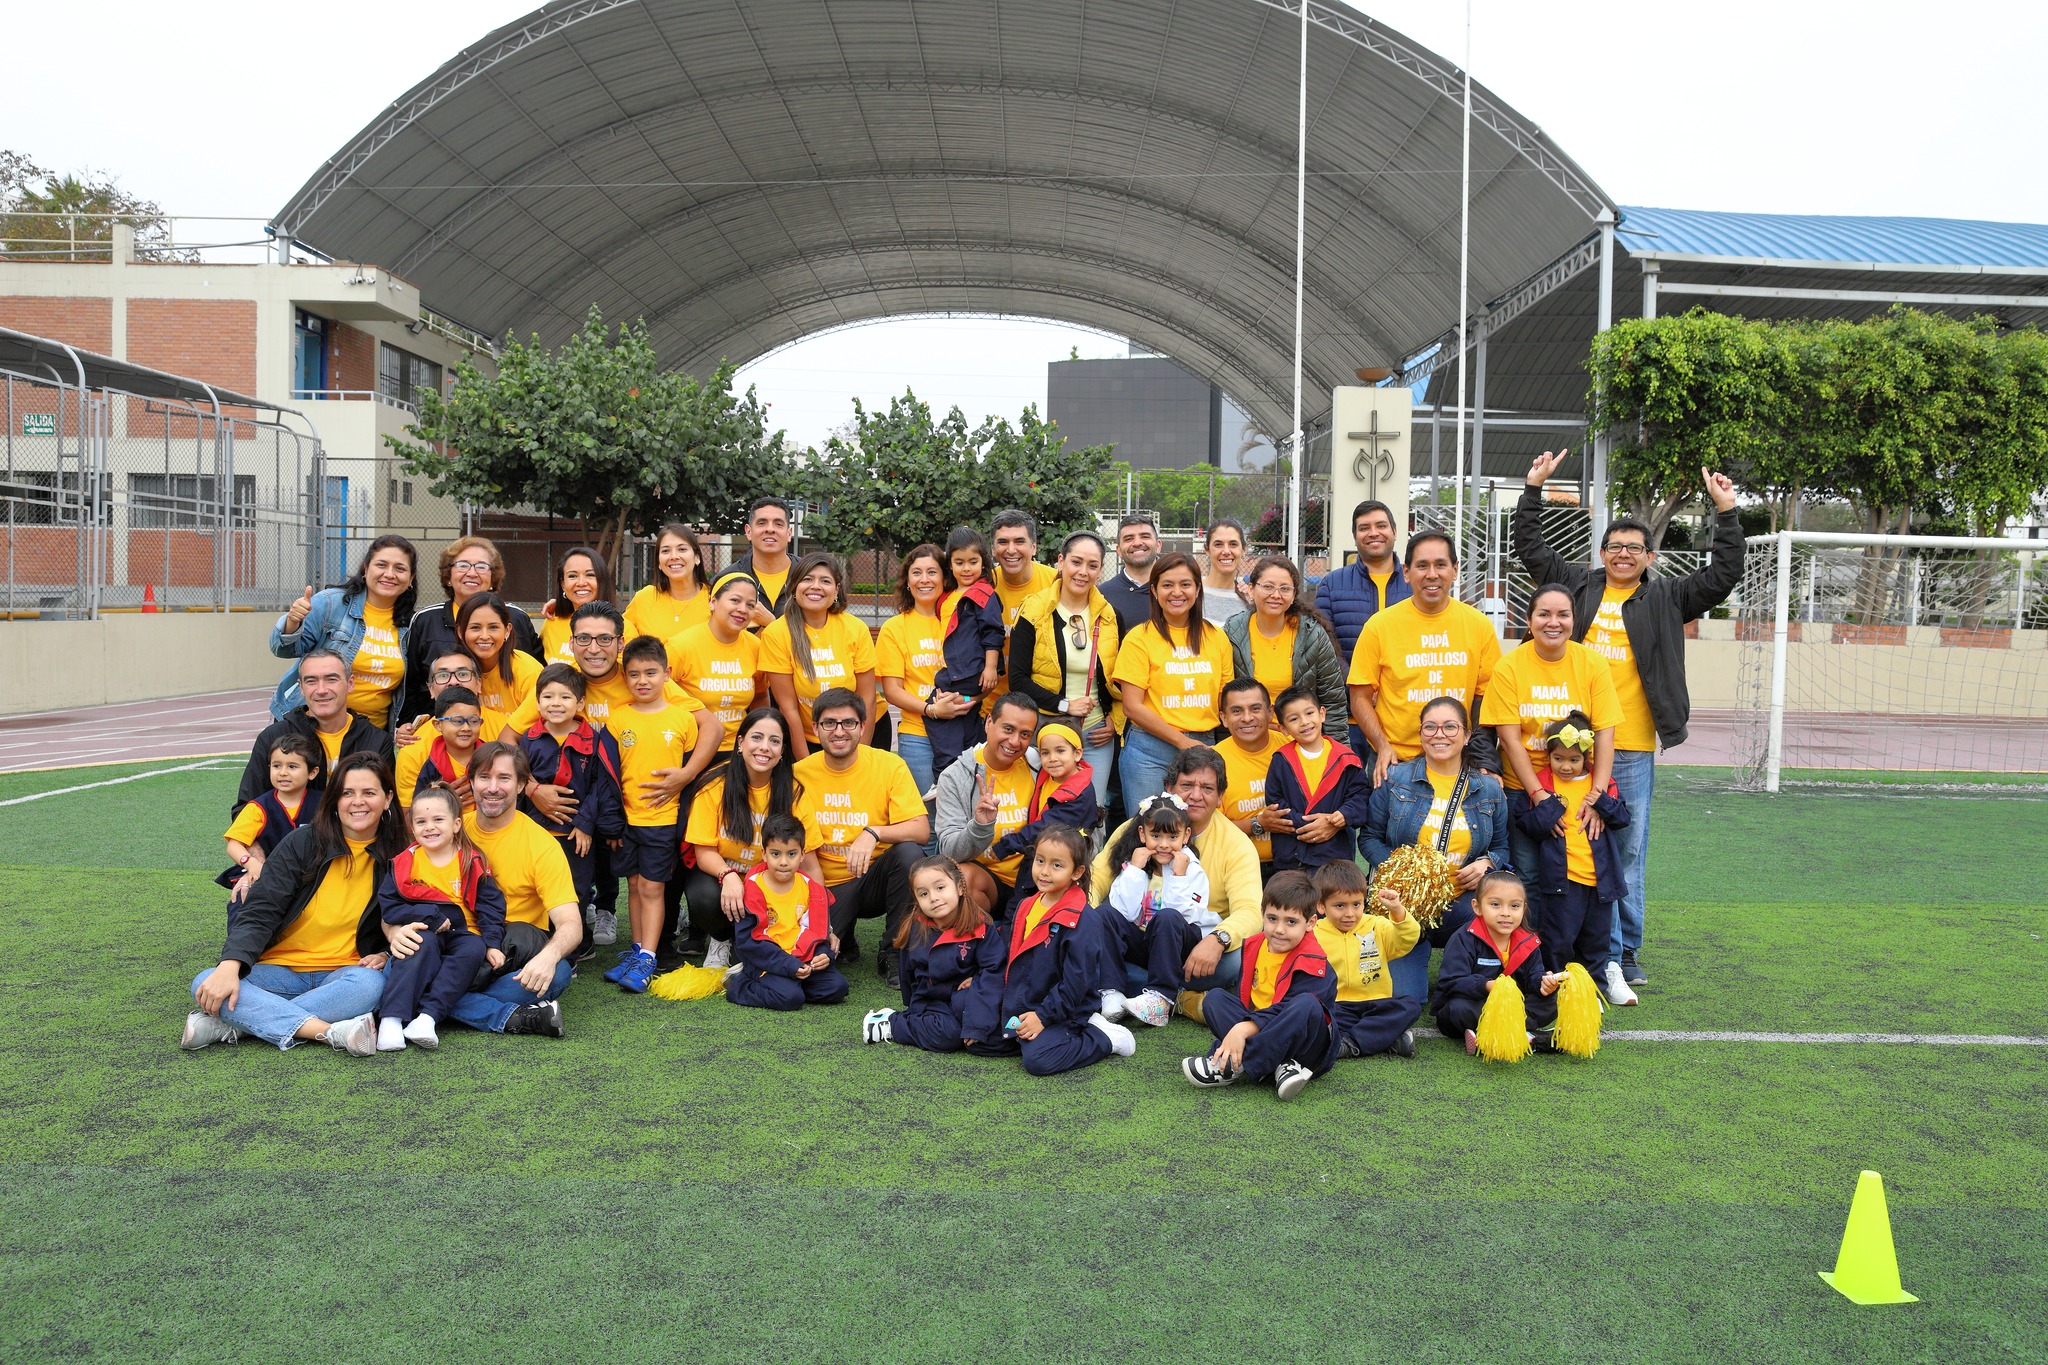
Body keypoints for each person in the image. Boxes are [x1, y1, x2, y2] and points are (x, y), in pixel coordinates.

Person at [1516, 452, 1745, 992]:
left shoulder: (1668, 595)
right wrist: (1533, 490)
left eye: (1634, 548)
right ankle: (1563, 942)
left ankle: (1625, 949)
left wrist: (1727, 511)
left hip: (1632, 745)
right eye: (1615, 546)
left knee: (1627, 848)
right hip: (1568, 748)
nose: (1623, 554)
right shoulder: (1577, 585)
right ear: (1602, 553)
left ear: (1650, 556)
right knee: (1563, 840)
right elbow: (1531, 548)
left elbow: (1723, 575)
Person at [181, 752, 402, 1057]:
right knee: (206, 980)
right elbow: (261, 909)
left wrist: (386, 951)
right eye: (347, 793)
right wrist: (230, 965)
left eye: (369, 793)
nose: (357, 802)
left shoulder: (401, 852)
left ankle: (239, 1026)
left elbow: (409, 913)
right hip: (279, 968)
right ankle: (329, 1032)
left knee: (371, 985)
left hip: (347, 971)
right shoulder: (303, 842)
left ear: (387, 798)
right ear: (334, 799)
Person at [1481, 582, 1622, 916]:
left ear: (1574, 620)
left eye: (1563, 615)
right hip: (1524, 791)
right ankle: (1531, 946)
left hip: (1578, 791)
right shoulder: (1509, 667)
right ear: (1529, 621)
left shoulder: (1593, 664)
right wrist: (1539, 796)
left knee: (1586, 876)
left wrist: (1597, 797)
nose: (1553, 622)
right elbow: (1509, 739)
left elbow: (1605, 735)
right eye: (1544, 614)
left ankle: (1586, 945)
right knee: (1528, 876)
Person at [1362, 695, 1512, 1003]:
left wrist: (1488, 863)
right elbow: (1368, 838)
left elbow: (1502, 847)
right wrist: (1404, 870)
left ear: (1466, 736)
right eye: (1430, 727)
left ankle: (1460, 981)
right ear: (1420, 734)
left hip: (1459, 904)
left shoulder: (1489, 789)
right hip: (1403, 908)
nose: (1439, 734)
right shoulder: (1395, 779)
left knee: (1497, 910)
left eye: (1450, 727)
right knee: (1406, 1000)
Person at [1089, 746, 1264, 995]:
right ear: (1169, 788)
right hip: (1138, 939)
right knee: (1097, 921)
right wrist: (1085, 920)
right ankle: (1173, 995)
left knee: (1236, 960)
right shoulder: (1137, 829)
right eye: (1187, 785)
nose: (1196, 795)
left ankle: (1141, 987)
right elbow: (1096, 878)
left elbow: (1250, 911)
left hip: (1193, 950)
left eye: (1207, 788)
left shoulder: (1237, 844)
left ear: (1220, 796)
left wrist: (1219, 939)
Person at [434, 741, 578, 1038]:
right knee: (408, 960)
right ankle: (497, 1013)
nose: (492, 788)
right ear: (471, 782)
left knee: (558, 971)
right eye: (484, 777)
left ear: (522, 785)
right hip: (456, 948)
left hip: (511, 953)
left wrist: (548, 957)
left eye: (504, 778)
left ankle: (431, 1000)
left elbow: (571, 924)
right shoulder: (449, 830)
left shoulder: (541, 845)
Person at [967, 824, 1135, 1074]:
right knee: (977, 1038)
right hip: (1026, 1001)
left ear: (1077, 872)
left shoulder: (1083, 919)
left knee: (1038, 1061)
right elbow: (1009, 958)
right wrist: (980, 980)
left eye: (1057, 865)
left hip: (1066, 1010)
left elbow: (1076, 985)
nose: (1044, 872)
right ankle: (1031, 1038)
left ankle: (1103, 1037)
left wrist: (1042, 1017)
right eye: (1040, 861)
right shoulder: (1025, 905)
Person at [603, 636, 719, 991]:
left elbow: (691, 773)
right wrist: (614, 822)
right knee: (634, 886)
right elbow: (610, 775)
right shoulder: (618, 719)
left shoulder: (683, 720)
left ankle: (649, 956)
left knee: (653, 887)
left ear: (667, 673)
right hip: (628, 822)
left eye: (650, 672)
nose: (642, 681)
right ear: (625, 676)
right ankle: (638, 950)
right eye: (634, 674)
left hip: (663, 822)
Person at [793, 690, 929, 986]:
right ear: (815, 728)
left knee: (909, 854)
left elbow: (921, 829)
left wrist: (874, 832)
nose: (839, 731)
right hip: (822, 884)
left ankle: (893, 950)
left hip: (872, 880)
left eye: (848, 723)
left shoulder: (889, 765)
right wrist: (820, 911)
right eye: (829, 723)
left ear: (863, 726)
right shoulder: (799, 773)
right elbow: (795, 848)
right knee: (808, 962)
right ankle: (845, 935)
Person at [1346, 531, 1501, 785]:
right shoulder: (1379, 626)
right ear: (1407, 573)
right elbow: (1359, 698)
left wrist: (1482, 758)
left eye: (1440, 564)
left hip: (1457, 760)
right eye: (1422, 566)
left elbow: (1486, 700)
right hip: (1395, 761)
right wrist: (1382, 745)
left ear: (1455, 570)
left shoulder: (1478, 625)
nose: (1432, 574)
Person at [1179, 870, 1335, 1100]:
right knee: (1215, 999)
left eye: (1291, 922)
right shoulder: (1255, 945)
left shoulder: (1314, 962)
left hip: (1304, 1048)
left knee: (1307, 1004)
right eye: (1272, 919)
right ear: (1262, 914)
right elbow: (1246, 1002)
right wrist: (1244, 1026)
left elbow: (1291, 1013)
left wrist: (1243, 1029)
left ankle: (1232, 1063)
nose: (1279, 929)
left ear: (1310, 923)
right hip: (1263, 1028)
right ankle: (1278, 1065)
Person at [372, 785, 506, 1051]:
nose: (429, 827)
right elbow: (389, 907)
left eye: (438, 820)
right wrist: (428, 916)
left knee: (474, 947)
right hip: (424, 929)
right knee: (420, 943)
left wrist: (492, 943)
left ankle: (427, 1018)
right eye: (421, 821)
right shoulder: (403, 863)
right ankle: (391, 1020)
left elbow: (491, 906)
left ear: (456, 824)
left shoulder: (471, 860)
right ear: (412, 827)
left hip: (462, 934)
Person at [1515, 712, 1633, 1002]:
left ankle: (1592, 994)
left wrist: (1602, 802)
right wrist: (1551, 809)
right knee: (1558, 942)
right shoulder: (1542, 783)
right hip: (1561, 883)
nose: (1565, 766)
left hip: (1600, 884)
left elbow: (1623, 818)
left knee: (1596, 943)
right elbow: (1527, 824)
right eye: (1558, 759)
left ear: (1587, 757)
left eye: (1573, 760)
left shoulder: (1601, 783)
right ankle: (1558, 991)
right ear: (1548, 756)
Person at [683, 708, 812, 972]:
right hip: (724, 880)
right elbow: (704, 851)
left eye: (774, 741)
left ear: (782, 750)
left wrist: (822, 922)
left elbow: (808, 861)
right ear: (740, 742)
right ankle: (721, 938)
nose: (764, 747)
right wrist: (728, 875)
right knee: (702, 896)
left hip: (771, 882)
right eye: (757, 737)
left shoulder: (794, 792)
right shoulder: (713, 785)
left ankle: (760, 939)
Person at [1008, 530, 1122, 807]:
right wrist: (1065, 705)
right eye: (1076, 562)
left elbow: (1121, 679)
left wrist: (1115, 720)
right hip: (1047, 732)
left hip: (1095, 735)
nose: (1083, 572)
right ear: (1061, 561)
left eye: (1092, 565)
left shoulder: (1110, 616)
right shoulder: (1033, 611)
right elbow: (1017, 680)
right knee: (1045, 809)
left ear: (1100, 570)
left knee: (1092, 811)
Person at [1112, 551, 1232, 802]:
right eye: (1167, 585)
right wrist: (1181, 742)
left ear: (1197, 589)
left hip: (1203, 746)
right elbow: (1132, 707)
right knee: (1150, 824)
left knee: (1198, 825)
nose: (1177, 592)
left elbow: (1225, 698)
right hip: (1149, 752)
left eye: (1185, 584)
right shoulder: (1138, 638)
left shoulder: (1216, 636)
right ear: (1154, 591)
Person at [268, 534, 416, 735]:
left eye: (399, 568)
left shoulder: (412, 624)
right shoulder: (330, 604)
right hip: (309, 727)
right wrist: (293, 621)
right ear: (366, 569)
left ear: (410, 579)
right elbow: (282, 649)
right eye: (381, 565)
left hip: (369, 735)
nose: (389, 574)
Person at [516, 664, 623, 938]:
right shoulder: (529, 739)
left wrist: (585, 824)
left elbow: (599, 785)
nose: (556, 703)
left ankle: (574, 947)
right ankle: (541, 941)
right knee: (537, 887)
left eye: (565, 697)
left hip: (577, 833)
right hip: (537, 831)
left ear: (580, 703)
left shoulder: (594, 739)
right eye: (548, 696)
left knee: (577, 888)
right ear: (537, 702)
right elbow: (522, 782)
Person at [862, 855, 1007, 1051]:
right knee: (949, 1035)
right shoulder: (915, 931)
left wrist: (977, 981)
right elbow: (908, 976)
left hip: (968, 996)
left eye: (940, 888)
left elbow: (994, 969)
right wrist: (916, 1009)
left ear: (960, 887)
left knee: (991, 1034)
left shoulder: (981, 926)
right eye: (923, 894)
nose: (933, 898)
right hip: (933, 1001)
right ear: (916, 900)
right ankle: (891, 1023)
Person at [398, 536, 541, 722]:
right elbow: (411, 686)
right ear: (449, 576)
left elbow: (537, 675)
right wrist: (412, 726)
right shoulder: (425, 620)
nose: (472, 573)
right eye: (463, 565)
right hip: (442, 727)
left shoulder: (517, 617)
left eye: (481, 566)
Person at [930, 693, 1045, 923]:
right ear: (989, 722)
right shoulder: (955, 776)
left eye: (1025, 734)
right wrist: (980, 826)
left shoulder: (1039, 764)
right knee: (961, 878)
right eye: (1008, 729)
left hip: (1035, 878)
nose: (1015, 742)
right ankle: (983, 938)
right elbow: (950, 851)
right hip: (987, 884)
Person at [1099, 793, 1210, 1029]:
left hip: (1176, 947)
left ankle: (1160, 998)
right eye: (1156, 835)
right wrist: (1134, 871)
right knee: (1104, 913)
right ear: (1142, 834)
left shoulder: (1191, 869)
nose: (1164, 844)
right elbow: (1124, 914)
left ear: (1186, 835)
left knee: (1167, 917)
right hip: (1145, 942)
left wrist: (1178, 876)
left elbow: (1186, 918)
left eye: (1173, 836)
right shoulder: (1135, 863)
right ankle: (1112, 992)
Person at [236, 650, 392, 812]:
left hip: (355, 827)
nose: (321, 690)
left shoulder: (376, 741)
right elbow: (246, 808)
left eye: (331, 679)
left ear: (350, 683)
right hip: (290, 829)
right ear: (301, 688)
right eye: (311, 681)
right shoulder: (273, 737)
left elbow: (387, 808)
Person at [878, 543, 978, 794]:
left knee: (965, 807)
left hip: (964, 729)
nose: (924, 579)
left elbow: (983, 679)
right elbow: (892, 690)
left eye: (932, 572)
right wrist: (932, 710)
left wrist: (964, 701)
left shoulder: (964, 620)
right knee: (926, 812)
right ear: (907, 581)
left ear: (945, 578)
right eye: (916, 572)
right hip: (917, 736)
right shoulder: (894, 628)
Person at [1431, 869, 1563, 1056]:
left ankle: (1490, 1038)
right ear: (1477, 907)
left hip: (1510, 1007)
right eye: (1495, 904)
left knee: (1552, 1002)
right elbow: (1450, 982)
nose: (1505, 913)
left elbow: (1533, 977)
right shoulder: (1463, 938)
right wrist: (1487, 985)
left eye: (1514, 906)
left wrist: (1544, 985)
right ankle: (1530, 1038)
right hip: (1476, 1005)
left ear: (1524, 908)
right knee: (1458, 1009)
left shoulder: (1528, 941)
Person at [725, 814, 848, 1011]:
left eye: (791, 854)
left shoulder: (810, 888)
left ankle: (790, 986)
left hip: (801, 958)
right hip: (766, 961)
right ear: (764, 854)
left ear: (802, 855)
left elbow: (816, 932)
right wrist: (788, 966)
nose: (783, 862)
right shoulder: (753, 889)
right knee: (790, 998)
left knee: (837, 988)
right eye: (776, 854)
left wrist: (823, 955)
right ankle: (739, 985)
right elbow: (748, 942)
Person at [760, 551, 878, 756]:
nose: (816, 586)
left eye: (825, 581)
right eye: (807, 579)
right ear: (794, 587)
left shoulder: (855, 628)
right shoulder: (776, 633)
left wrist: (859, 757)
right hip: (807, 739)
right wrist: (805, 763)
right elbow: (789, 709)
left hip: (859, 733)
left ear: (836, 590)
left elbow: (867, 698)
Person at [1225, 555, 1348, 738]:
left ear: (1293, 595)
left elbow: (1333, 701)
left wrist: (1339, 752)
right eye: (1268, 587)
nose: (1276, 595)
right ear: (1251, 589)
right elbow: (1223, 698)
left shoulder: (1312, 635)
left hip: (1299, 742)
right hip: (1248, 741)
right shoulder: (1232, 633)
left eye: (1284, 589)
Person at [1310, 861, 1422, 1059]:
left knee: (1410, 1006)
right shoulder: (1313, 934)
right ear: (1321, 905)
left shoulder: (1377, 925)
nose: (1350, 914)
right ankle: (1387, 1039)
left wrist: (1398, 911)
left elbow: (1407, 939)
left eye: (1356, 904)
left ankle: (1349, 1043)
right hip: (1338, 1006)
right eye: (1339, 906)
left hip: (1377, 1004)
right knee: (1316, 1019)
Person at [1263, 684, 1370, 872]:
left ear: (1322, 714)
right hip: (1293, 856)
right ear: (1283, 728)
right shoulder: (1281, 760)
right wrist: (1306, 824)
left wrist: (1343, 815)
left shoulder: (1346, 758)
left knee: (1334, 891)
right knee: (1293, 892)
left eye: (1309, 713)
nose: (1304, 722)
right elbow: (1275, 801)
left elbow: (1360, 796)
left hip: (1334, 855)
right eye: (1294, 719)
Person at [982, 723, 1098, 884]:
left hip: (1060, 867)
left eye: (1060, 751)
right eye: (1045, 753)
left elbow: (1045, 828)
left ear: (1077, 754)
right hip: (1040, 855)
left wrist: (1006, 845)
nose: (1052, 758)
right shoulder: (1048, 774)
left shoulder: (1078, 794)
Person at [220, 732, 323, 909]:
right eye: (276, 766)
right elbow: (234, 845)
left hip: (312, 877)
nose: (283, 773)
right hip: (269, 875)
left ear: (312, 772)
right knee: (242, 903)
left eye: (292, 766)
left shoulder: (324, 804)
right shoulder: (258, 807)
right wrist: (251, 863)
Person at [666, 570, 765, 752]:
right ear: (713, 603)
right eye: (735, 600)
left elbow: (760, 696)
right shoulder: (681, 646)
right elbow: (659, 694)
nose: (742, 609)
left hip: (739, 750)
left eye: (750, 605)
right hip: (690, 747)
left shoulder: (756, 647)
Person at [1315, 499, 1411, 666]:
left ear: (1394, 532)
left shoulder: (1415, 583)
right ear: (1355, 537)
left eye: (1381, 526)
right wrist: (1354, 680)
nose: (1373, 533)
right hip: (1351, 682)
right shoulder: (1331, 585)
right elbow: (1323, 647)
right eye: (1364, 528)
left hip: (1406, 682)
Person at [1212, 679, 1278, 878]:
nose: (1247, 718)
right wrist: (1258, 824)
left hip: (1295, 861)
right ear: (1224, 718)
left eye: (1255, 709)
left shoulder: (1293, 747)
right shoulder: (1212, 763)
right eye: (1237, 711)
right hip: (1237, 866)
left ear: (1270, 712)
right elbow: (1208, 830)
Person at [392, 648, 513, 752]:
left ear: (478, 684)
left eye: (463, 674)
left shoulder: (507, 728)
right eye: (443, 675)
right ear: (431, 689)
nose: (454, 682)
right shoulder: (415, 740)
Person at [394, 686, 487, 809]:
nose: (466, 728)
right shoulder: (432, 765)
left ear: (481, 723)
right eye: (457, 721)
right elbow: (417, 810)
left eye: (473, 721)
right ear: (438, 725)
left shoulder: (490, 758)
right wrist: (441, 801)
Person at [456, 591, 543, 716]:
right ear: (460, 632)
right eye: (475, 627)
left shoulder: (528, 672)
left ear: (507, 631)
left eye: (493, 627)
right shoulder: (453, 672)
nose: (484, 636)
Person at [624, 523, 711, 642]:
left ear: (697, 557)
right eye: (665, 551)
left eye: (682, 549)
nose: (674, 556)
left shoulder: (715, 599)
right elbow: (620, 640)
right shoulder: (644, 599)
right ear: (659, 562)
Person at [989, 509, 1059, 639]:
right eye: (1003, 542)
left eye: (1019, 541)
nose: (1011, 550)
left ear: (1034, 548)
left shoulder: (1057, 582)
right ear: (993, 549)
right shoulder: (984, 584)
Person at [536, 547, 612, 666]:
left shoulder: (621, 628)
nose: (581, 583)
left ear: (602, 581)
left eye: (590, 575)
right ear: (563, 584)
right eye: (572, 576)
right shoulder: (552, 622)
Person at [729, 496, 796, 627]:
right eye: (761, 523)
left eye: (778, 524)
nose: (770, 529)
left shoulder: (807, 576)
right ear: (748, 531)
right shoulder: (728, 579)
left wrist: (770, 623)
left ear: (789, 533)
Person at [1099, 512, 1161, 638]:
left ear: (1158, 545)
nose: (1137, 543)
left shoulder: (1178, 591)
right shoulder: (1102, 595)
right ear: (1119, 550)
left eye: (1145, 536)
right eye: (1128, 539)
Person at [1199, 518, 1250, 625]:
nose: (1226, 551)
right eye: (1218, 544)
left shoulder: (1250, 599)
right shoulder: (1192, 592)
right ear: (1207, 549)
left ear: (1244, 550)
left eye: (1233, 544)